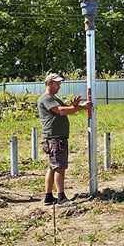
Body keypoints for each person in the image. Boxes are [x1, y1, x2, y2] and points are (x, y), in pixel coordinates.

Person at [37, 73, 89, 205]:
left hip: (55, 138)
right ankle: (61, 197)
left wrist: (81, 106)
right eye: (57, 83)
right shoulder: (46, 98)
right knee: (59, 167)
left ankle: (49, 196)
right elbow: (61, 111)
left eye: (60, 83)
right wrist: (77, 107)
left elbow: (68, 108)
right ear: (49, 83)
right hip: (55, 138)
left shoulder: (54, 98)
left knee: (53, 167)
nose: (59, 85)